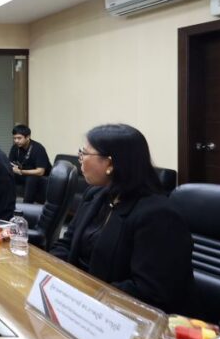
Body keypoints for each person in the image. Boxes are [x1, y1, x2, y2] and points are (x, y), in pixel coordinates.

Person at [51, 124, 194, 314]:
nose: (81, 160)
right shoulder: (96, 196)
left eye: (84, 153)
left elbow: (149, 292)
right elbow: (65, 245)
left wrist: (86, 297)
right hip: (80, 304)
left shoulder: (158, 216)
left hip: (122, 316)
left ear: (110, 164)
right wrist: (51, 275)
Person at [9, 124, 51, 204]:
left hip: (41, 177)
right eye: (14, 138)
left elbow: (40, 171)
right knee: (6, 175)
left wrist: (21, 172)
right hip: (24, 173)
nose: (16, 141)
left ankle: (27, 205)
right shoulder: (15, 148)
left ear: (28, 137)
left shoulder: (38, 148)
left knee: (31, 178)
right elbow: (10, 164)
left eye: (19, 138)